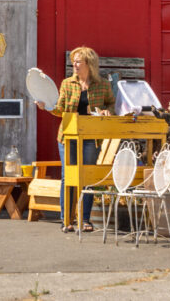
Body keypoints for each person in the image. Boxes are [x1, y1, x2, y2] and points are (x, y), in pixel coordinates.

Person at [36, 46, 115, 232]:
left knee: (86, 177)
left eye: (78, 61)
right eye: (74, 61)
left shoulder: (102, 85)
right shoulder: (67, 83)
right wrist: (46, 107)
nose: (75, 64)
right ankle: (67, 220)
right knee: (68, 177)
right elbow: (60, 109)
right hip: (68, 136)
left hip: (91, 137)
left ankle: (85, 219)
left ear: (89, 64)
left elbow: (111, 102)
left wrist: (107, 111)